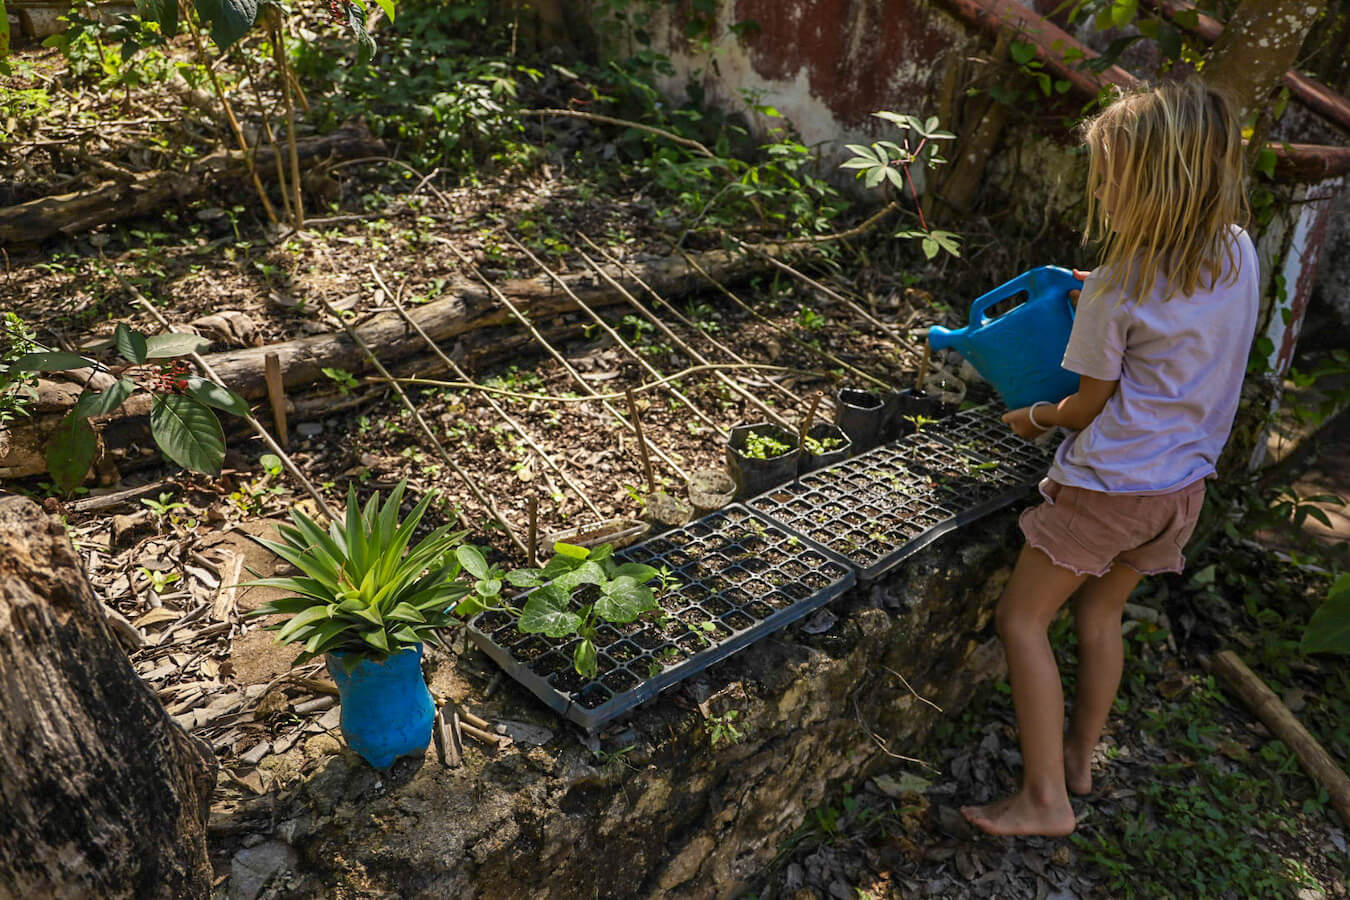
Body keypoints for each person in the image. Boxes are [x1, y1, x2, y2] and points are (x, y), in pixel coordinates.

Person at [960, 78, 1261, 837]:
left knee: (1022, 620)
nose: (1100, 188)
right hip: (1181, 491)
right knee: (1101, 615)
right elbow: (1180, 323)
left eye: (1108, 176)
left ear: (1146, 183)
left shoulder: (1119, 290)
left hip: (1110, 489)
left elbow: (1085, 407)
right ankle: (1080, 759)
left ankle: (1044, 801)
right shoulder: (1237, 250)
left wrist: (1031, 417)